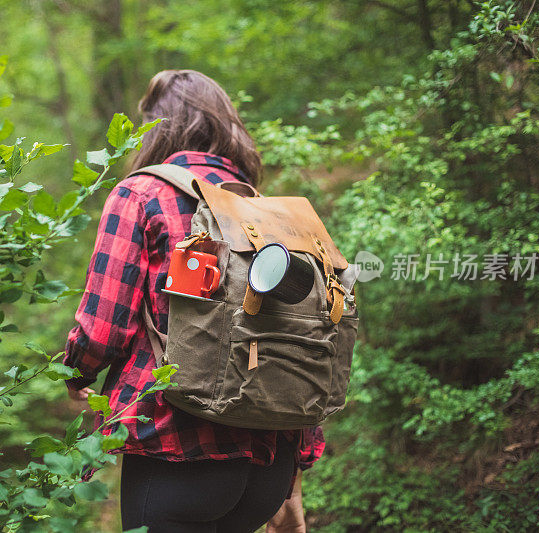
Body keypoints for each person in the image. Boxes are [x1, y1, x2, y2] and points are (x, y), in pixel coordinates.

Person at [63, 69, 324, 533]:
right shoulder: (264, 211)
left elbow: (105, 324)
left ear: (155, 126)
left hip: (179, 445)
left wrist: (77, 372)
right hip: (269, 462)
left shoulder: (142, 193)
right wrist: (296, 467)